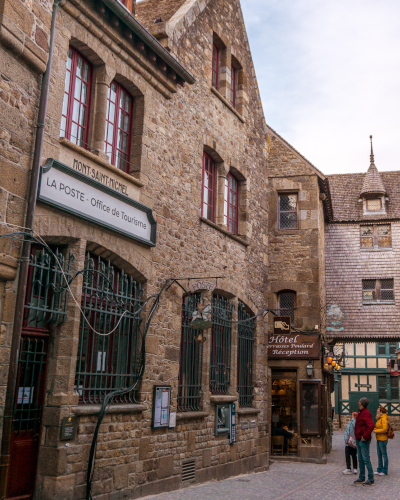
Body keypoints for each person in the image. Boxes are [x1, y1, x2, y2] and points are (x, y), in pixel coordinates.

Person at [354, 397, 375, 486]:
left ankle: (371, 479)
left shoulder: (366, 413)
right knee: (360, 459)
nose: (358, 402)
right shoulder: (360, 412)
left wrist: (364, 436)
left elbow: (371, 426)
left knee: (366, 459)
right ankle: (362, 477)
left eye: (359, 401)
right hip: (358, 438)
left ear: (361, 403)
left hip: (363, 439)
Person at [374, 406, 389, 476]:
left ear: (380, 411)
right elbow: (378, 427)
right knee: (379, 455)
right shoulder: (379, 418)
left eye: (378, 409)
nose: (377, 410)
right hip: (379, 438)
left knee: (384, 455)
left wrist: (375, 431)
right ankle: (379, 469)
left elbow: (384, 429)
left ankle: (384, 470)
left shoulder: (384, 418)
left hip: (383, 439)